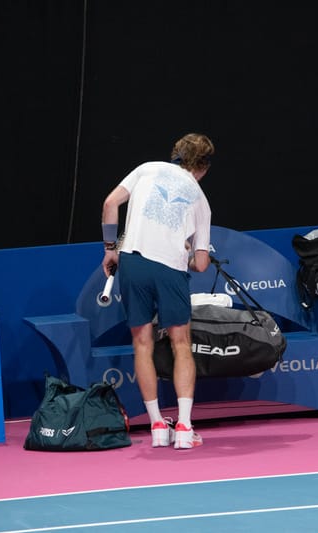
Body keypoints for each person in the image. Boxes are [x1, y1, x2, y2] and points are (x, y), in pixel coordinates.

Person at [101, 133, 214, 449]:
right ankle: (183, 426)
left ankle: (156, 427)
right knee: (180, 343)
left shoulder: (146, 168)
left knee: (142, 343)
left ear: (175, 154)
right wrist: (190, 251)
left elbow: (110, 203)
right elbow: (202, 264)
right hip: (169, 270)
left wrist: (110, 249)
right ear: (203, 166)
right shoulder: (200, 200)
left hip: (132, 263)